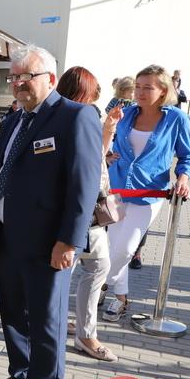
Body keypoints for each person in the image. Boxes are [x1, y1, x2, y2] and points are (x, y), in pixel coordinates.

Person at [0, 45, 102, 379]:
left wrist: (69, 241)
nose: (17, 83)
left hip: (49, 244)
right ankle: (22, 375)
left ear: (50, 78)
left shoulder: (75, 116)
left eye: (25, 76)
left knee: (47, 325)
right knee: (13, 314)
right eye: (13, 77)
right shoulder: (13, 120)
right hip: (8, 237)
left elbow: (83, 186)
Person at [102, 65, 190, 322]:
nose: (140, 92)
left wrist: (183, 177)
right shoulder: (126, 113)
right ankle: (120, 299)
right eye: (138, 87)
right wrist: (107, 155)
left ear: (163, 90)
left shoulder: (176, 119)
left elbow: (186, 156)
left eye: (147, 88)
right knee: (114, 248)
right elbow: (109, 142)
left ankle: (98, 285)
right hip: (117, 189)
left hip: (149, 194)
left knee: (125, 250)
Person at [56, 66, 118, 362]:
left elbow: (94, 158)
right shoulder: (77, 116)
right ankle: (78, 331)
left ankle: (82, 330)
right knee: (73, 270)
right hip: (79, 211)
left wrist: (108, 132)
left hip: (89, 213)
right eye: (92, 94)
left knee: (95, 267)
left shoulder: (74, 115)